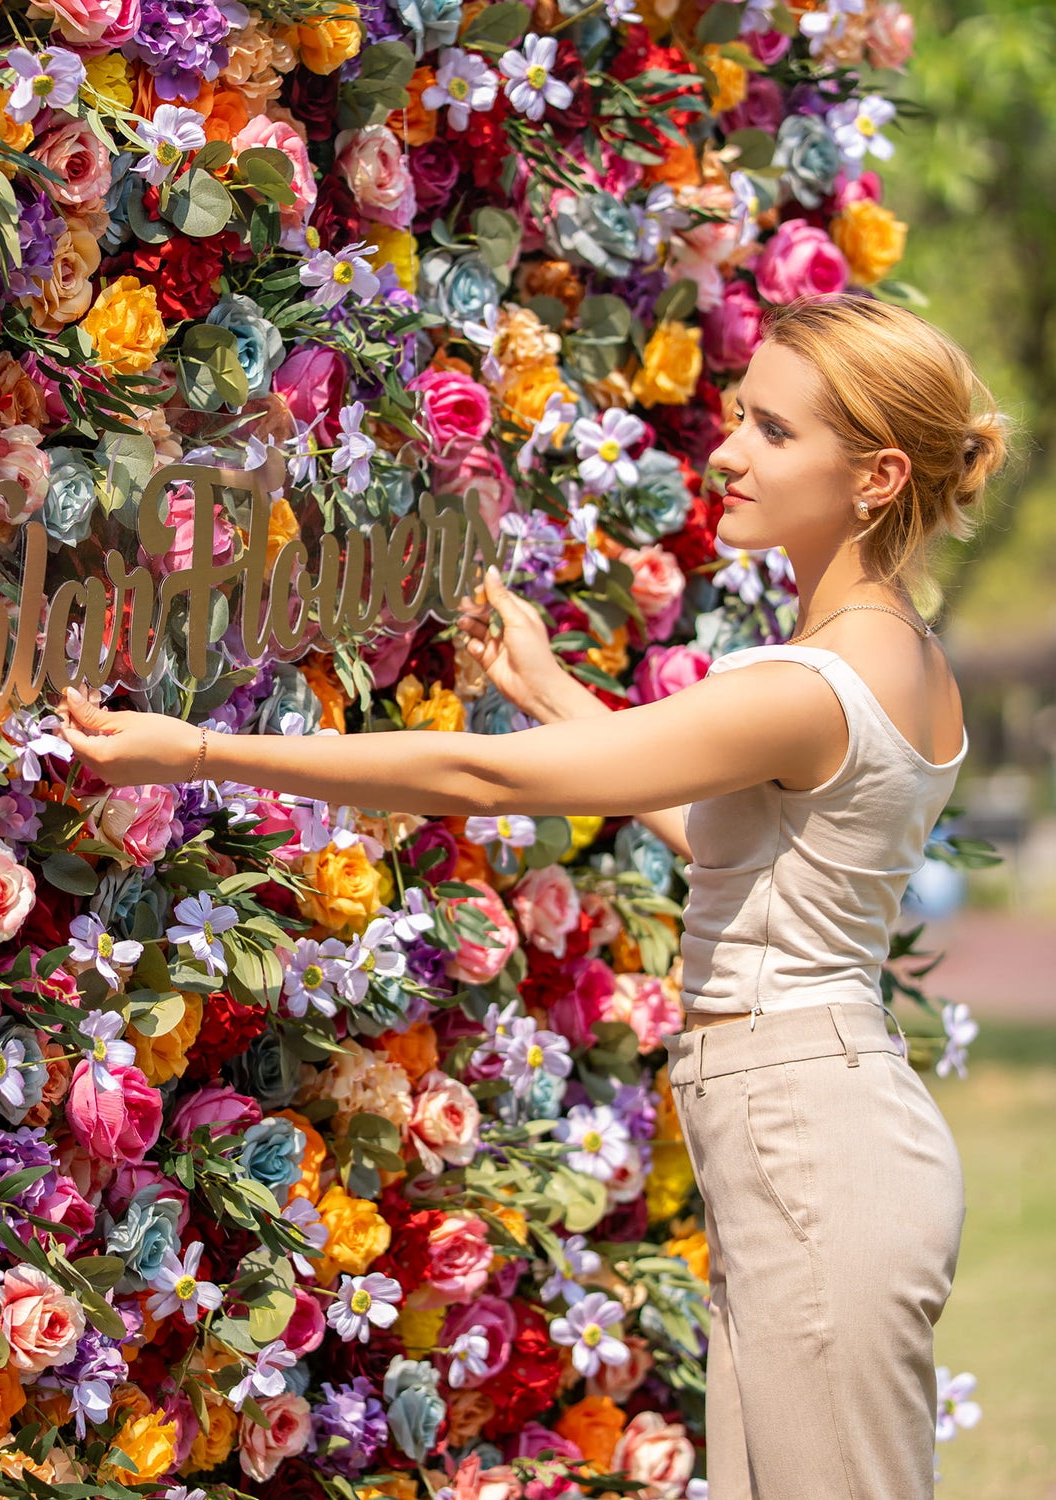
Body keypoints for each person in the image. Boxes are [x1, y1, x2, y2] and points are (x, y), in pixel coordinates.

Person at [55, 292, 1010, 1498]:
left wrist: (197, 753)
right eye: (742, 418)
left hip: (814, 1142)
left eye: (774, 432)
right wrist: (559, 692)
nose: (725, 452)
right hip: (815, 1130)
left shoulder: (811, 680)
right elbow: (737, 846)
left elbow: (482, 772)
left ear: (876, 475)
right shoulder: (893, 653)